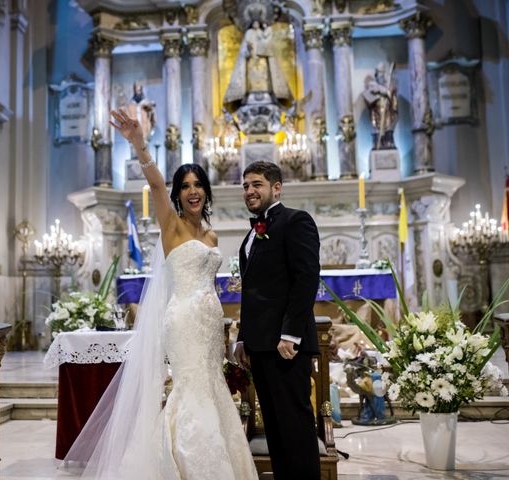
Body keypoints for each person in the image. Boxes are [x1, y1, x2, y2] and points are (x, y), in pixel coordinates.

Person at [63, 109, 258, 480]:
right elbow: (154, 183)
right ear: (178, 194)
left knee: (212, 386)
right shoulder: (171, 225)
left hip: (209, 325)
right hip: (183, 322)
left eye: (197, 184)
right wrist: (140, 144)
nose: (192, 191)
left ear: (206, 191)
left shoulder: (212, 236)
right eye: (185, 186)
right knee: (190, 389)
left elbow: (210, 286)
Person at [234, 161, 321, 480]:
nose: (250, 191)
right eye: (245, 185)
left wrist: (291, 335)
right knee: (275, 427)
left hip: (286, 346)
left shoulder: (296, 221)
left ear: (276, 188)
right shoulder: (254, 231)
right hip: (260, 345)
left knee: (295, 426)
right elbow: (253, 291)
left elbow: (306, 279)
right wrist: (244, 337)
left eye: (257, 184)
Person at [223, 19, 292, 113]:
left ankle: (266, 94)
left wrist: (264, 48)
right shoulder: (249, 32)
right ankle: (250, 94)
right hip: (251, 59)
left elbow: (266, 42)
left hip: (262, 59)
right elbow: (245, 48)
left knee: (264, 76)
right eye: (254, 23)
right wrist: (249, 50)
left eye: (257, 23)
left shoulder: (261, 32)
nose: (256, 25)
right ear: (252, 24)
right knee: (252, 76)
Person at [362, 62, 398, 150]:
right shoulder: (372, 86)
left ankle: (388, 142)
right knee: (377, 132)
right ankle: (377, 143)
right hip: (377, 114)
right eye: (380, 74)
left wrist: (388, 94)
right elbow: (369, 96)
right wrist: (382, 91)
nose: (382, 77)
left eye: (383, 75)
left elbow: (393, 101)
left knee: (388, 130)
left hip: (387, 113)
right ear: (376, 75)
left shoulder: (389, 87)